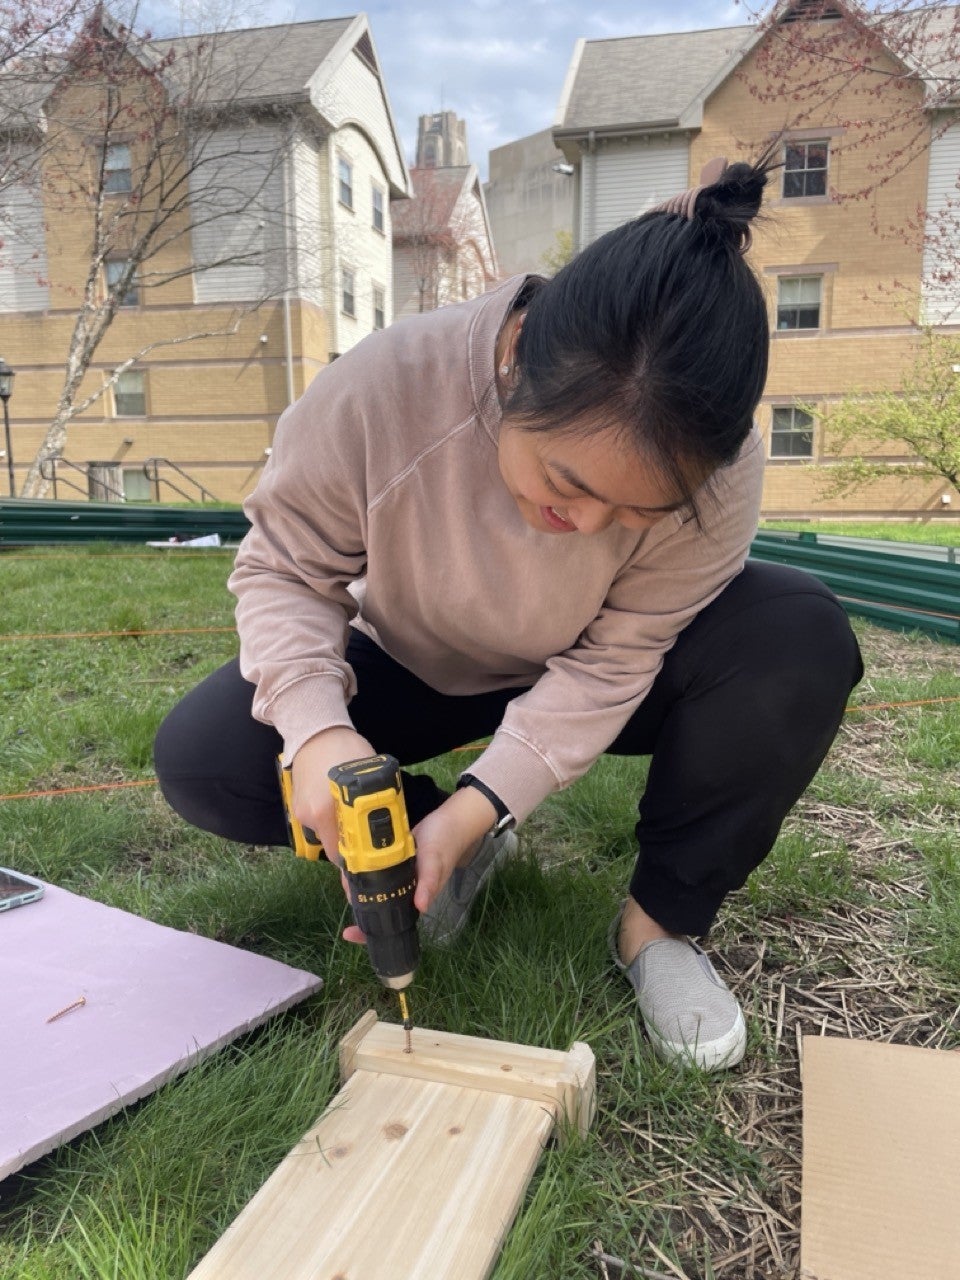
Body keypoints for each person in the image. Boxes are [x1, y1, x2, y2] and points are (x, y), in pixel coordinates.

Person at [154, 156, 863, 1072]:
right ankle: (428, 839)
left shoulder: (723, 472)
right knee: (209, 758)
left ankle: (658, 929)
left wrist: (495, 798)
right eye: (569, 484)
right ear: (517, 360)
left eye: (638, 512)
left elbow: (619, 656)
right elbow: (287, 567)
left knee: (795, 633)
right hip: (414, 655)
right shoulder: (389, 383)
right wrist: (318, 734)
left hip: (598, 670)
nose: (592, 527)